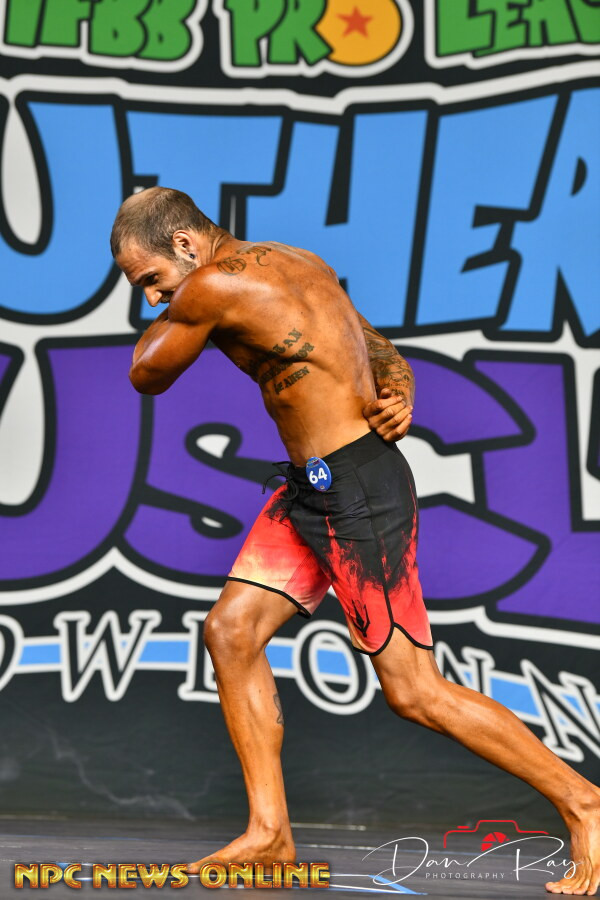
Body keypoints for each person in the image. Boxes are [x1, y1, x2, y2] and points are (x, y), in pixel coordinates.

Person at [111, 187, 599, 896]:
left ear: (186, 245)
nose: (154, 297)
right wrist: (401, 389)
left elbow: (146, 374)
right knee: (232, 631)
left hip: (356, 491)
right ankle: (270, 834)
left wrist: (184, 305)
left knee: (414, 691)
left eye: (150, 279)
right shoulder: (298, 260)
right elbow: (376, 347)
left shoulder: (209, 285)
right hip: (312, 487)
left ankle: (584, 802)